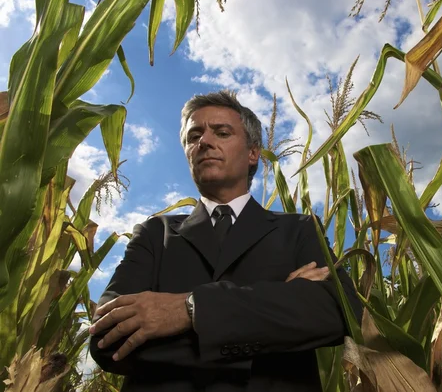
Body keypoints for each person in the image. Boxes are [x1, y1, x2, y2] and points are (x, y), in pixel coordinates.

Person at [89, 90, 363, 392]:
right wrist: (279, 308)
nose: (204, 142)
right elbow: (107, 336)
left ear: (252, 153)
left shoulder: (299, 229)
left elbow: (340, 311)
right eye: (193, 137)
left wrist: (190, 310)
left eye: (221, 132)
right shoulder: (155, 233)